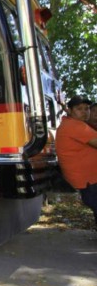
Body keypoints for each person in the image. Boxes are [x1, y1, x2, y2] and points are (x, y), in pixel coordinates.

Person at [55, 95, 97, 230]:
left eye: (87, 109)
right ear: (71, 111)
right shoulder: (75, 126)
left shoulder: (70, 123)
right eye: (79, 109)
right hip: (88, 179)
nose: (85, 112)